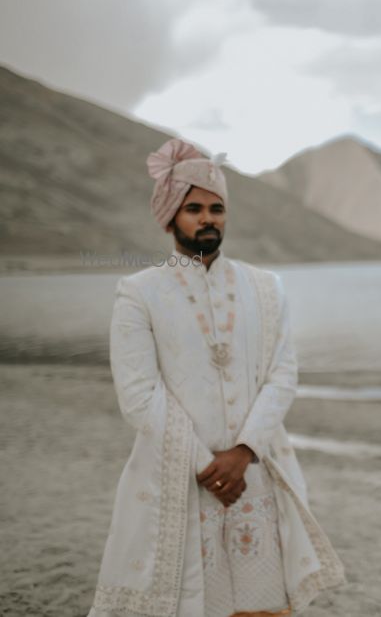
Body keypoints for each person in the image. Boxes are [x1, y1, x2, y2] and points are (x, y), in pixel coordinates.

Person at [89, 139, 345, 617]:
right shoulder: (138, 293)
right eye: (194, 208)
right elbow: (139, 396)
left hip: (254, 476)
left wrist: (244, 452)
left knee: (262, 601)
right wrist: (210, 465)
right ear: (170, 216)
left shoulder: (266, 288)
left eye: (217, 208)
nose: (208, 218)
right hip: (180, 476)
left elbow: (282, 372)